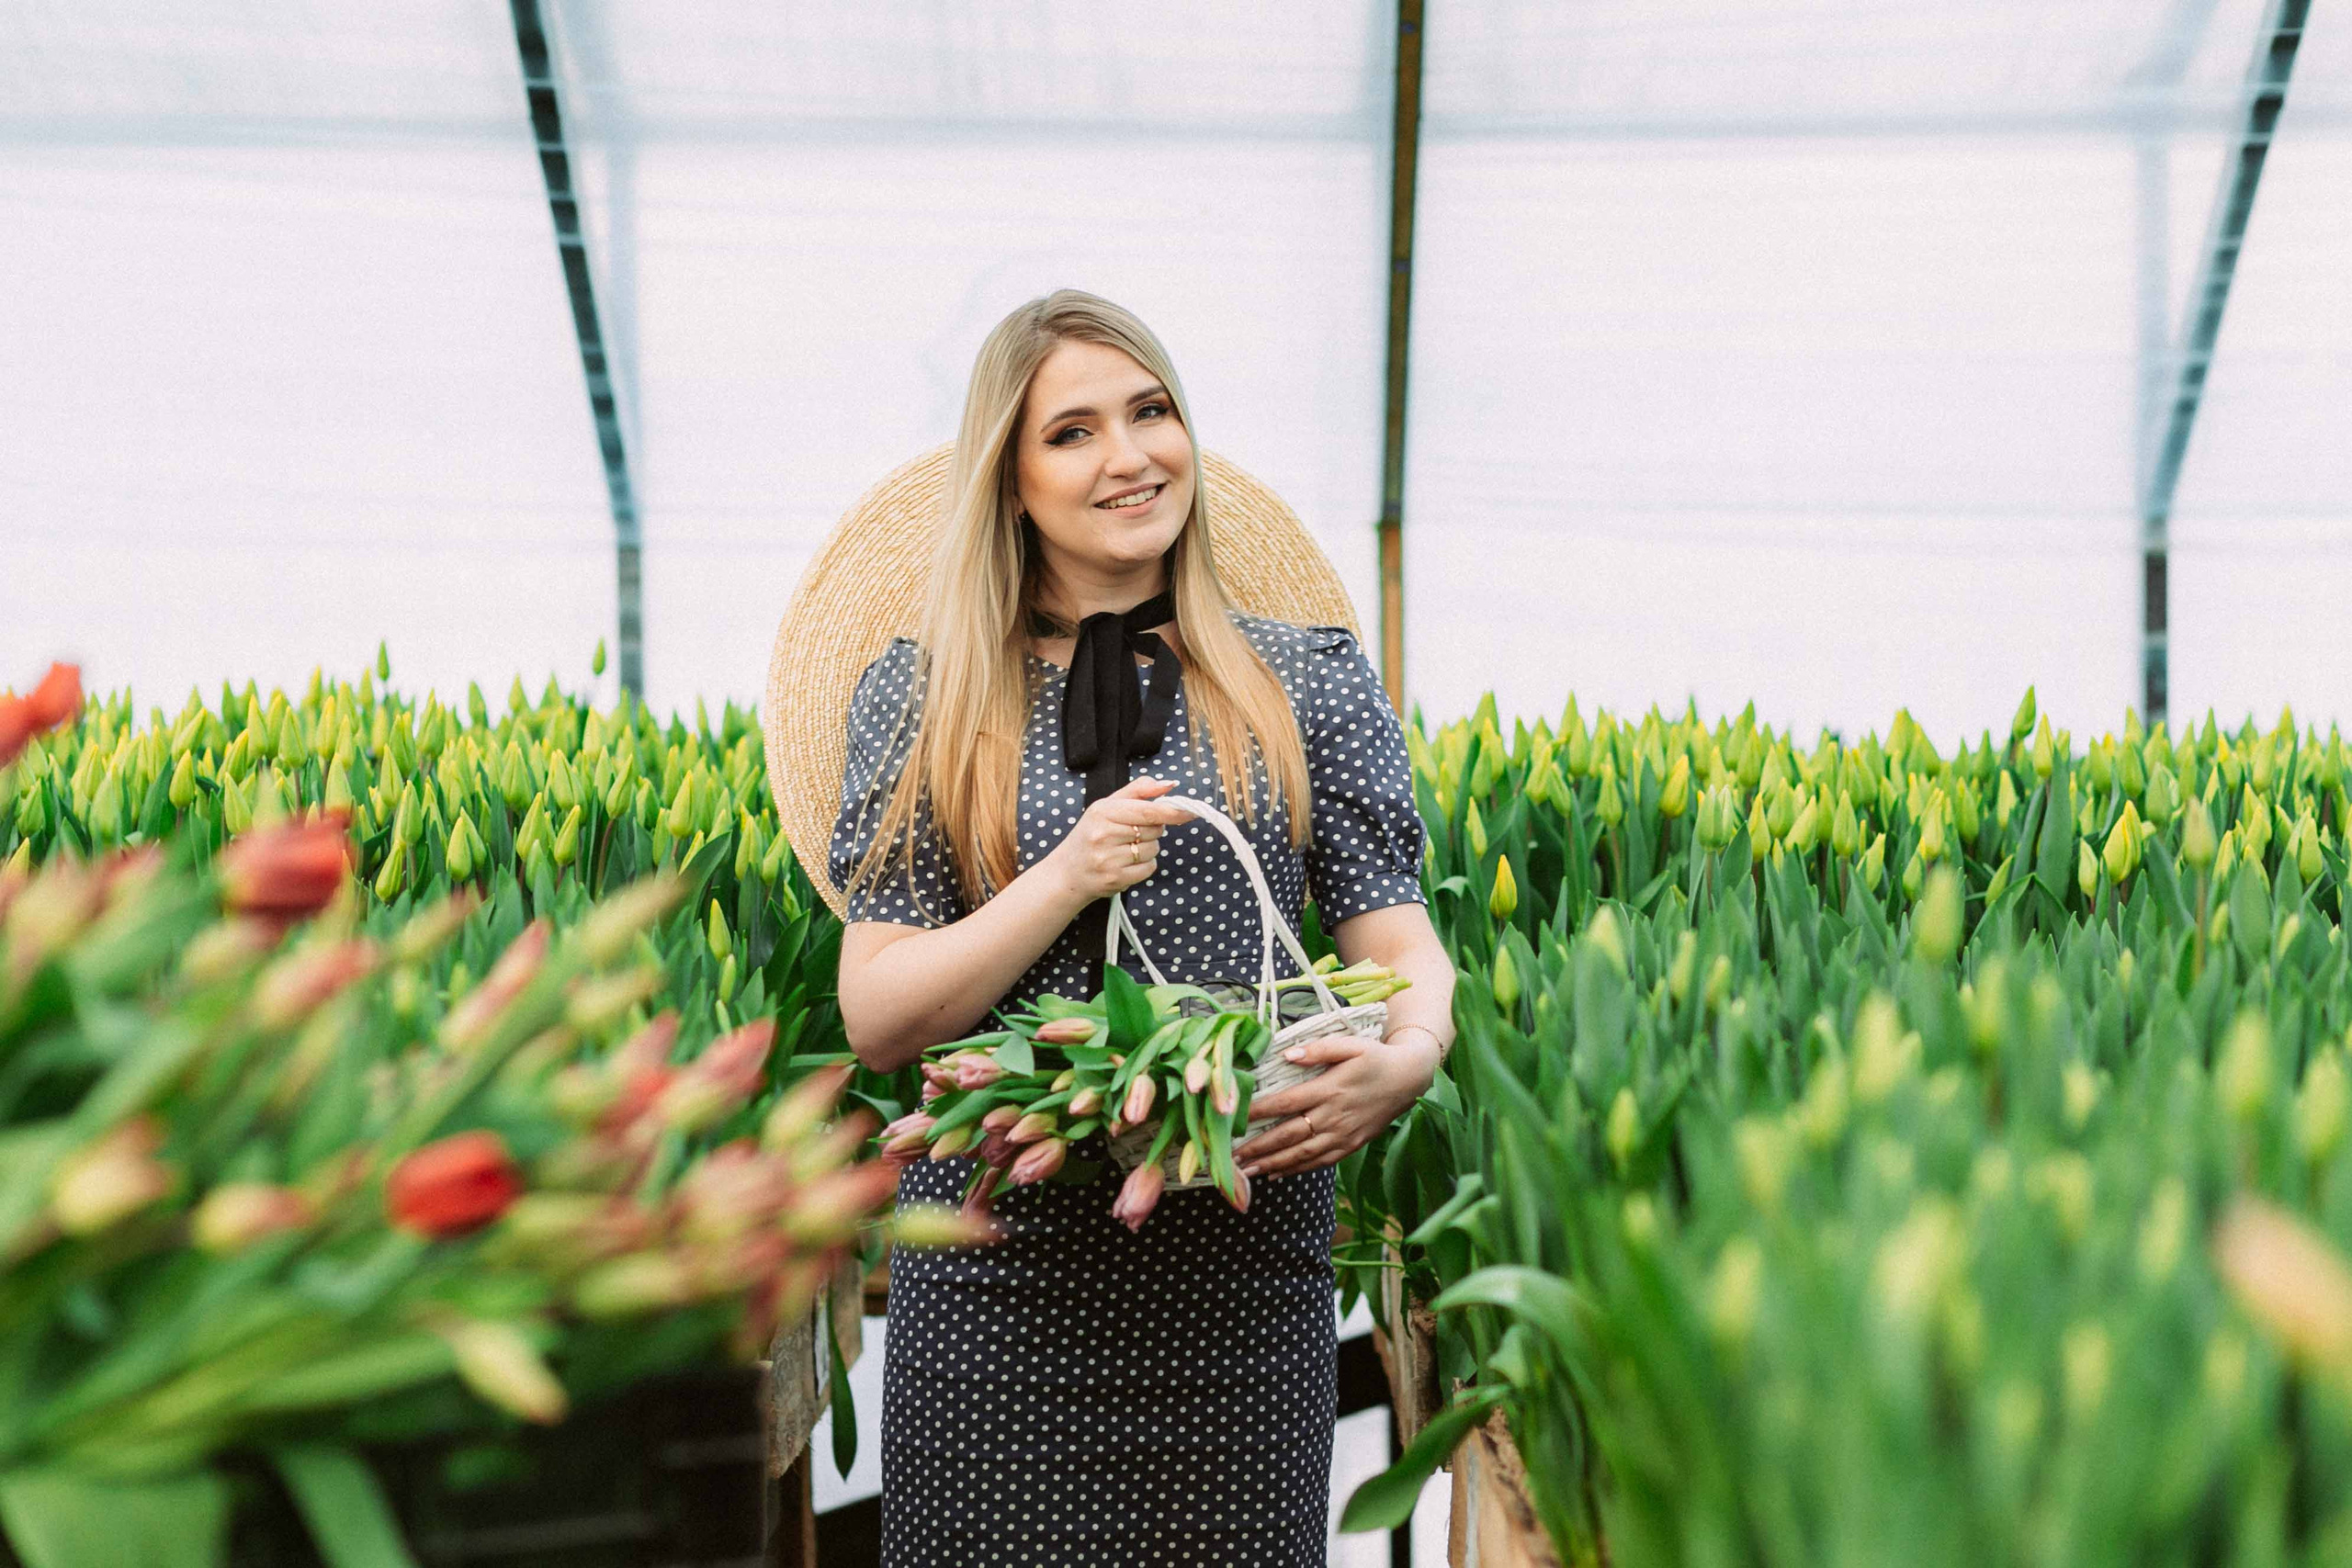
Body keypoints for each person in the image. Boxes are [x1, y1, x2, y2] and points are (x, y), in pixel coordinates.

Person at [829, 288, 1454, 1567]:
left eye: (1151, 411)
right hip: (1002, 1278)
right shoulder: (930, 698)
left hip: (1242, 1262)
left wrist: (1412, 1053)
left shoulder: (1305, 678)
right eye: (1072, 432)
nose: (1128, 456)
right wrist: (1063, 878)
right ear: (1010, 481)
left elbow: (1399, 943)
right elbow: (882, 1013)